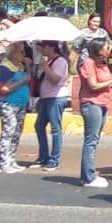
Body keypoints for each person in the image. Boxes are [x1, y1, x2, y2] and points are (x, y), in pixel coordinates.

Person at [80, 39, 112, 188]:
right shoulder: (88, 63)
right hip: (92, 104)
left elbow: (108, 81)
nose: (109, 49)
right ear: (98, 49)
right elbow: (93, 85)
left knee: (95, 140)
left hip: (103, 104)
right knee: (90, 141)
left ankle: (88, 173)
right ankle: (88, 177)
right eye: (106, 47)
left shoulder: (103, 64)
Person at [31, 40, 69, 172]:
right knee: (39, 125)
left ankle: (54, 159)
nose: (42, 49)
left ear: (51, 47)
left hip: (56, 97)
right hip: (45, 97)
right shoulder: (47, 60)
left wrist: (45, 67)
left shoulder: (60, 61)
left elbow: (55, 79)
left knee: (55, 128)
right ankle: (43, 156)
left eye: (44, 46)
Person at [0, 42, 31, 174]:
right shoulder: (5, 68)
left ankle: (11, 159)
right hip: (9, 103)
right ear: (13, 53)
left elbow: (28, 78)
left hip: (21, 103)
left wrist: (28, 65)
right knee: (8, 131)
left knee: (16, 133)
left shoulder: (20, 66)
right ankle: (4, 162)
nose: (23, 54)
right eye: (21, 52)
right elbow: (4, 88)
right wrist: (21, 82)